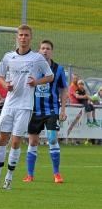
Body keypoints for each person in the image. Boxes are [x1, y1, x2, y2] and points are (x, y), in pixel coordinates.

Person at [0, 24, 54, 190]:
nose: (23, 38)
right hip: (9, 104)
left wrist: (36, 82)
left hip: (25, 106)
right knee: (1, 139)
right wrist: (5, 84)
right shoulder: (8, 57)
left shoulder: (37, 58)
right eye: (21, 35)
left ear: (31, 38)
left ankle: (9, 178)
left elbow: (50, 76)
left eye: (26, 35)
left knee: (15, 142)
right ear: (17, 37)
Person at [23, 40, 68, 184]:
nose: (45, 51)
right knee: (33, 141)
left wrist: (63, 109)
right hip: (34, 110)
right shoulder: (32, 68)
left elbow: (63, 90)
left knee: (52, 139)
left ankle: (57, 174)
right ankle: (30, 175)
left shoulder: (59, 69)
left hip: (52, 109)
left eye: (48, 48)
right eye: (42, 48)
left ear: (51, 51)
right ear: (39, 50)